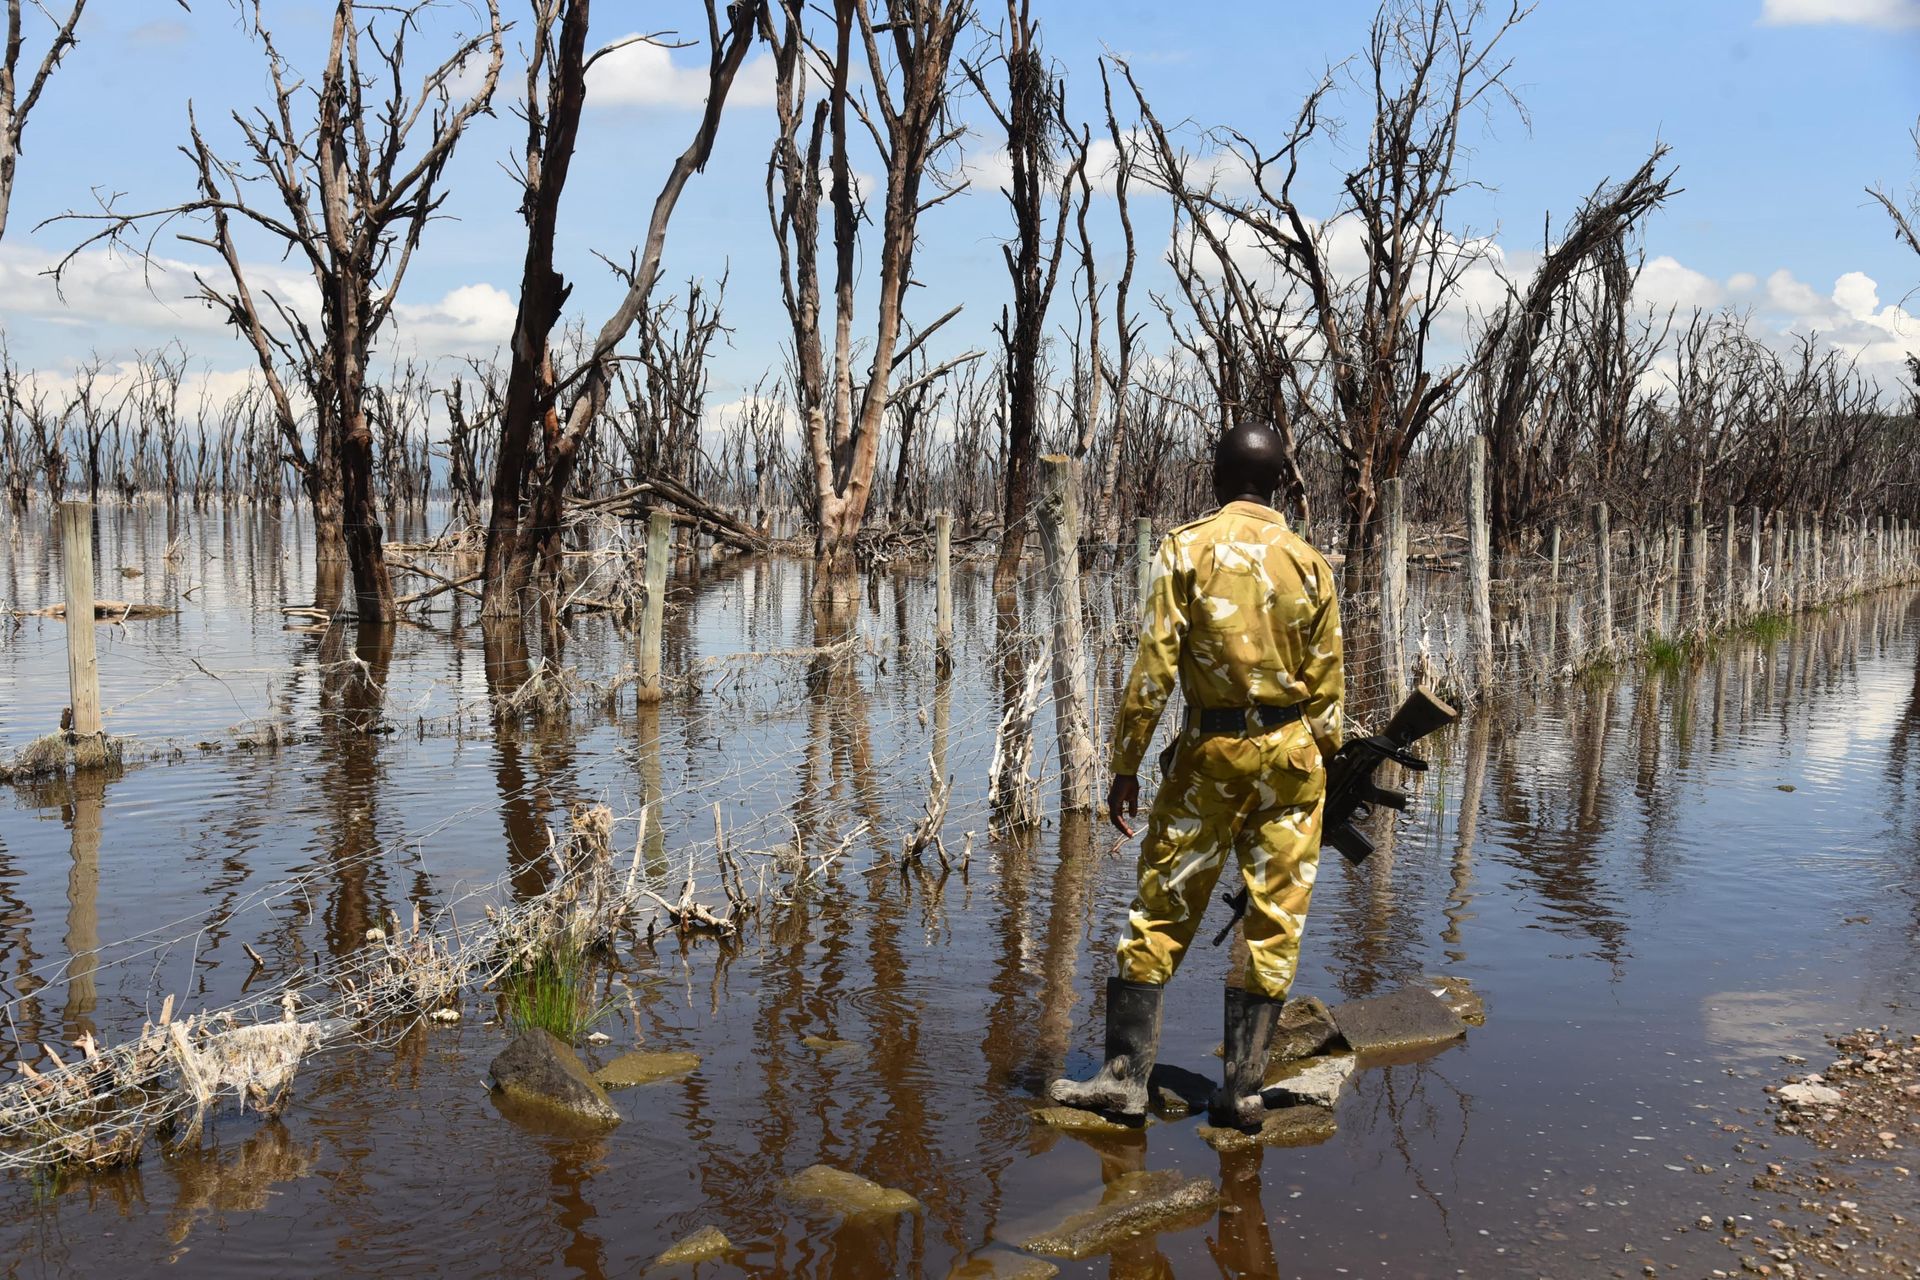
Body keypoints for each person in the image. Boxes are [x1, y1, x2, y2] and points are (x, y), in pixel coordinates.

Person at [1049, 422, 1343, 1130]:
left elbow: (1155, 666)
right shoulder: (1311, 563)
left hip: (1213, 755)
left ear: (1216, 477)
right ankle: (1240, 1092)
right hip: (1294, 757)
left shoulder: (1187, 547)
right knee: (1275, 921)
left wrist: (1125, 764)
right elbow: (1329, 689)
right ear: (1277, 483)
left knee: (1162, 905)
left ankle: (1124, 1080)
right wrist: (1319, 764)